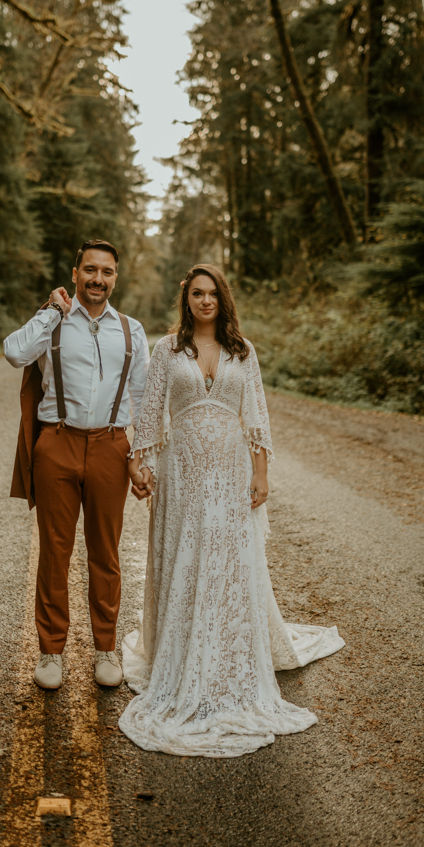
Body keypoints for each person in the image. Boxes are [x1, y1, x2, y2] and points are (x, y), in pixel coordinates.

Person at [120, 264, 345, 757]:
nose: (205, 301)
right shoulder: (167, 349)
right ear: (187, 300)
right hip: (182, 474)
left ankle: (227, 651)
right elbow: (151, 409)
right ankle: (179, 656)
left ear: (223, 299)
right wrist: (141, 462)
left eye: (212, 293)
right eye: (197, 294)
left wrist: (260, 473)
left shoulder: (243, 351)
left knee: (228, 560)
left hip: (230, 469)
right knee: (188, 555)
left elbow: (257, 416)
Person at [3, 240, 150, 690]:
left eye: (106, 272)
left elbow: (142, 401)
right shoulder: (53, 324)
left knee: (106, 554)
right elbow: (13, 352)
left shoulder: (132, 331)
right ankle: (51, 652)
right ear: (74, 273)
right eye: (90, 270)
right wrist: (51, 311)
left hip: (111, 447)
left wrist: (138, 459)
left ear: (116, 278)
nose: (97, 279)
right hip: (58, 443)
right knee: (55, 552)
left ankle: (105, 648)